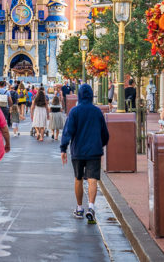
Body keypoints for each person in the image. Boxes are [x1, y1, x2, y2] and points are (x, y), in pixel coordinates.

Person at [60, 84, 109, 225]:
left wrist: (63, 148)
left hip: (78, 151)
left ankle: (80, 208)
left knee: (78, 178)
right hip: (94, 150)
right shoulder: (97, 112)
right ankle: (92, 207)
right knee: (93, 179)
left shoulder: (74, 112)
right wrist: (101, 144)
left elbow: (68, 131)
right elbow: (105, 133)